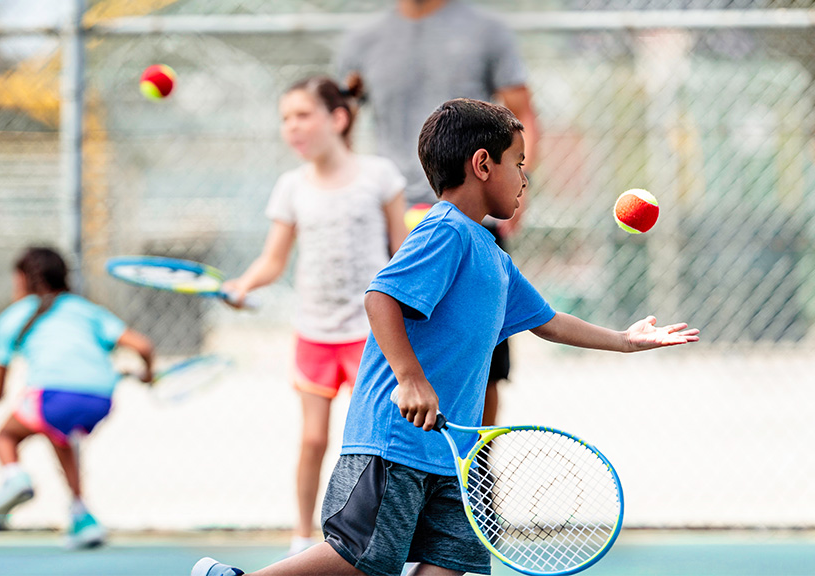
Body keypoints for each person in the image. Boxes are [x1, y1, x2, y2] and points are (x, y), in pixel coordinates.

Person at [192, 99, 698, 576]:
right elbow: (381, 298)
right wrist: (410, 378)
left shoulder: (493, 255)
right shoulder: (445, 231)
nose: (526, 175)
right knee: (362, 556)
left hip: (453, 451)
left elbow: (550, 321)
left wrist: (625, 340)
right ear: (483, 164)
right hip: (395, 441)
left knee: (454, 557)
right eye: (517, 162)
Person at [221, 76, 409, 557]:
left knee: (378, 447)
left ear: (338, 118)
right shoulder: (291, 187)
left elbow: (402, 253)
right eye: (285, 118)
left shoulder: (380, 176)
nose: (292, 127)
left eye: (302, 115)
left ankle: (385, 540)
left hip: (371, 336)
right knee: (312, 439)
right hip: (314, 334)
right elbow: (272, 261)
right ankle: (303, 540)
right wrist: (242, 285)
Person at [336, 0, 541, 428]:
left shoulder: (487, 29)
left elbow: (523, 114)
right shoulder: (362, 40)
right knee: (389, 343)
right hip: (394, 214)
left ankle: (473, 479)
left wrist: (520, 183)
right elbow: (341, 119)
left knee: (483, 352)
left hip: (471, 211)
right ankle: (400, 466)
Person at [0, 246, 154, 549]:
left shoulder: (12, 318)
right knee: (60, 435)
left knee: (6, 438)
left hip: (51, 396)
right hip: (101, 398)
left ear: (23, 280)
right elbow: (143, 346)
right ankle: (82, 516)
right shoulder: (85, 309)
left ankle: (15, 479)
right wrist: (149, 374)